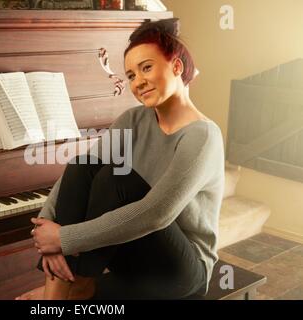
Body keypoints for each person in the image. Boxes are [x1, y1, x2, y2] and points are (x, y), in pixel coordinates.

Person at [16, 18, 225, 300]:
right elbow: (77, 173)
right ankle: (67, 286)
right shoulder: (134, 119)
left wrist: (64, 238)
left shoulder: (203, 136)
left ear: (176, 66)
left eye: (146, 68)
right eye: (130, 75)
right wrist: (47, 234)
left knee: (118, 179)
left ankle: (62, 291)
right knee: (85, 165)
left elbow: (156, 214)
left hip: (179, 272)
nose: (138, 81)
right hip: (130, 255)